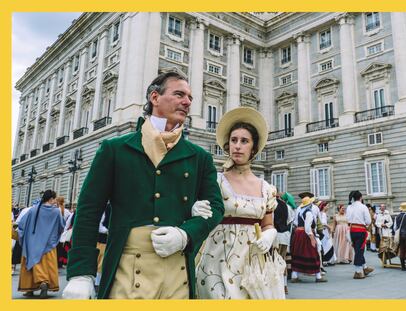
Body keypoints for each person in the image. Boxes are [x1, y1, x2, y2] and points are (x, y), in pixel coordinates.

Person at [62, 71, 224, 299]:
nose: (187, 102)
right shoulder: (114, 149)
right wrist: (81, 273)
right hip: (127, 269)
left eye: (190, 97)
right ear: (155, 98)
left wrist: (186, 235)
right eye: (179, 94)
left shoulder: (199, 157)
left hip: (177, 270)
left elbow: (216, 207)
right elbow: (89, 210)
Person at [196, 107, 282, 299]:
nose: (237, 145)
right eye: (234, 140)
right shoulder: (215, 181)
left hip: (253, 261)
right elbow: (202, 215)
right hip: (217, 260)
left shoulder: (266, 188)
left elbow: (267, 224)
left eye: (244, 141)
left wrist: (270, 234)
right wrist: (195, 210)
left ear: (253, 148)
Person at [17, 190, 65, 298]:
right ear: (51, 199)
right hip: (48, 244)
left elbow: (22, 225)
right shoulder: (56, 211)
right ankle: (44, 282)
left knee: (30, 264)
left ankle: (30, 288)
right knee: (47, 266)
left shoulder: (33, 210)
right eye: (54, 199)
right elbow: (61, 226)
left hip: (32, 243)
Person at [290, 194, 327, 283]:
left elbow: (295, 223)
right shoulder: (309, 212)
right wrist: (312, 238)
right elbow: (307, 227)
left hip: (298, 234)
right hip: (305, 234)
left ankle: (294, 276)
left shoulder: (299, 211)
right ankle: (318, 276)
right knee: (313, 254)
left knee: (298, 254)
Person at [346, 190, 374, 279]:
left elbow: (348, 219)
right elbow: (368, 221)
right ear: (361, 197)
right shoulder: (363, 207)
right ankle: (358, 271)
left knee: (357, 249)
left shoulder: (349, 207)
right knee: (359, 250)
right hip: (361, 230)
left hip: (352, 230)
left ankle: (365, 267)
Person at [393, 202, 406, 272]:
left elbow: (395, 228)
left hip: (400, 236)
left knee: (402, 250)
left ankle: (403, 267)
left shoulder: (397, 217)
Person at [318, 201, 336, 266]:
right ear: (323, 206)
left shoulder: (320, 213)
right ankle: (327, 260)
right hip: (324, 231)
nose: (328, 207)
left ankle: (326, 260)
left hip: (323, 231)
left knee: (325, 245)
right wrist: (329, 227)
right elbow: (323, 223)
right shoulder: (323, 214)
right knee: (328, 245)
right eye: (327, 206)